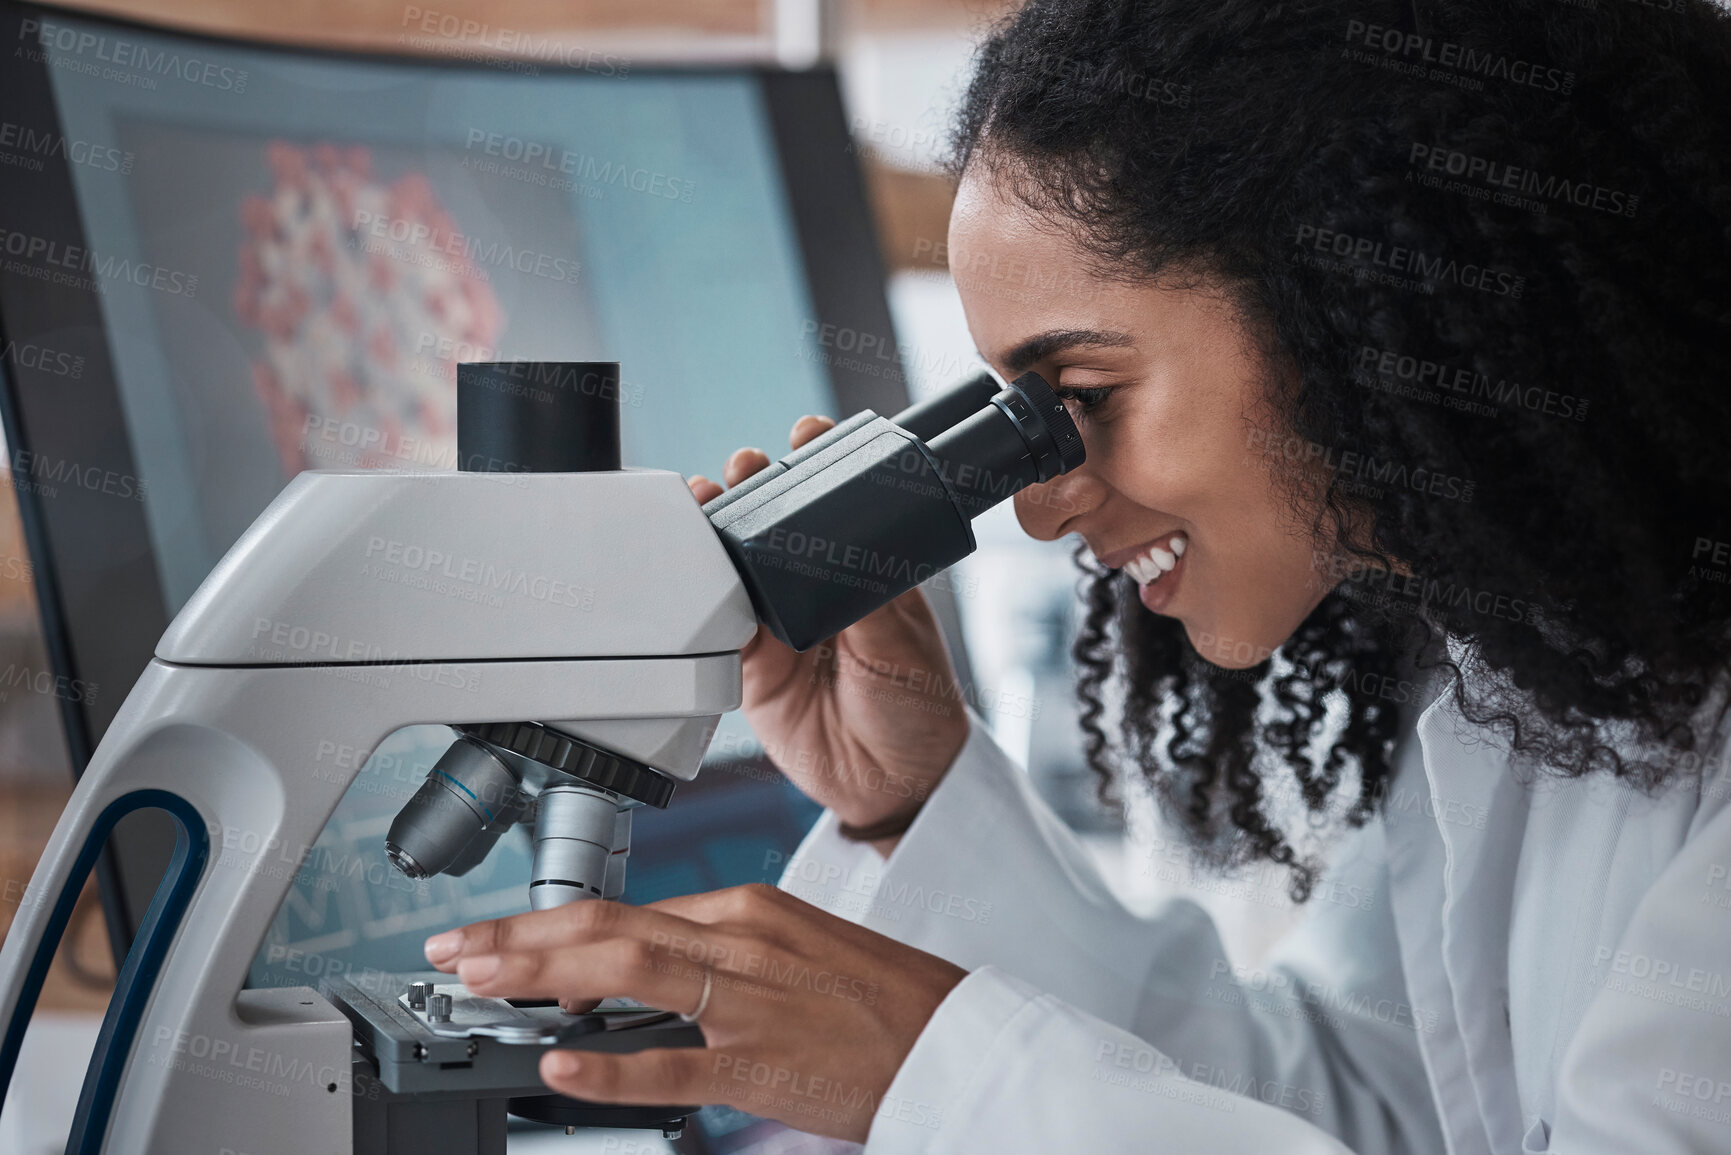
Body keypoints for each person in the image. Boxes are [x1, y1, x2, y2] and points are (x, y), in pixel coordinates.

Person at [420, 0, 1731, 1149]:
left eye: (1086, 395)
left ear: (1362, 308)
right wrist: (915, 802)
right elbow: (1384, 1112)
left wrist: (935, 1073)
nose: (1042, 508)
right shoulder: (1532, 677)